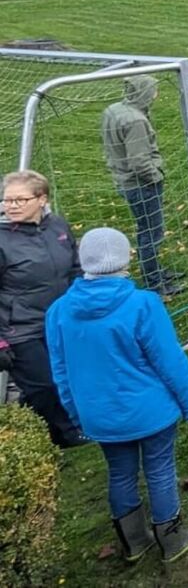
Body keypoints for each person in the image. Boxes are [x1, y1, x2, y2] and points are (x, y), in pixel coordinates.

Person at [46, 227, 188, 563]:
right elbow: (170, 361)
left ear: (83, 261)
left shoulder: (58, 312)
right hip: (151, 412)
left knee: (120, 472)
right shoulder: (143, 304)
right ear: (125, 260)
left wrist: (77, 413)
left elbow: (60, 371)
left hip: (100, 416)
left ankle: (134, 543)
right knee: (160, 470)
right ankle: (172, 540)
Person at [0, 170, 83, 447]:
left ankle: (31, 429)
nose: (11, 206)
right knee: (45, 383)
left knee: (62, 377)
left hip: (58, 321)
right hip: (19, 329)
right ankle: (67, 435)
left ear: (42, 199)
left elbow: (74, 268)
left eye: (20, 200)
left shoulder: (57, 226)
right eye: (7, 200)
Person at [100, 75, 180, 296]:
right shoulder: (135, 121)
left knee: (147, 229)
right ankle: (154, 282)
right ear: (146, 92)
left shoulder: (114, 110)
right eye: (154, 89)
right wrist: (156, 177)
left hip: (123, 178)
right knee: (151, 233)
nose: (157, 93)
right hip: (140, 185)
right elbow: (139, 162)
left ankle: (156, 271)